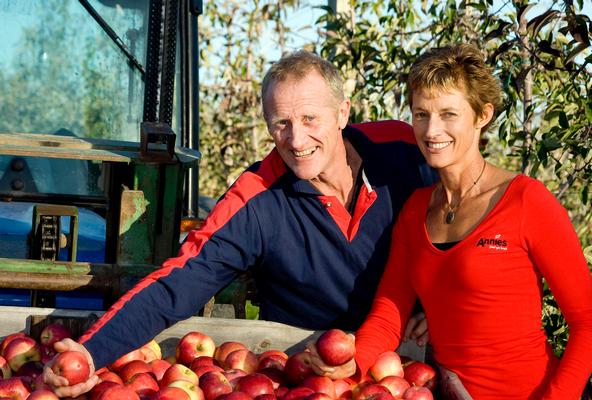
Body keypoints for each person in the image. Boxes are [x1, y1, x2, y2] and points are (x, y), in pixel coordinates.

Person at [43, 50, 435, 397]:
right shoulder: (256, 196)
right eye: (280, 123)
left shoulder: (402, 151)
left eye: (310, 118)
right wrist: (90, 353)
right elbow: (178, 282)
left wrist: (436, 304)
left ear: (343, 113)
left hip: (407, 362)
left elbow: (461, 225)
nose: (296, 139)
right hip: (307, 375)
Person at [308, 43, 592, 399]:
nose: (432, 131)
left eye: (449, 114)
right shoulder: (415, 211)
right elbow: (389, 314)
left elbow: (589, 321)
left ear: (482, 115)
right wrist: (352, 367)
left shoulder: (527, 201)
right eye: (421, 114)